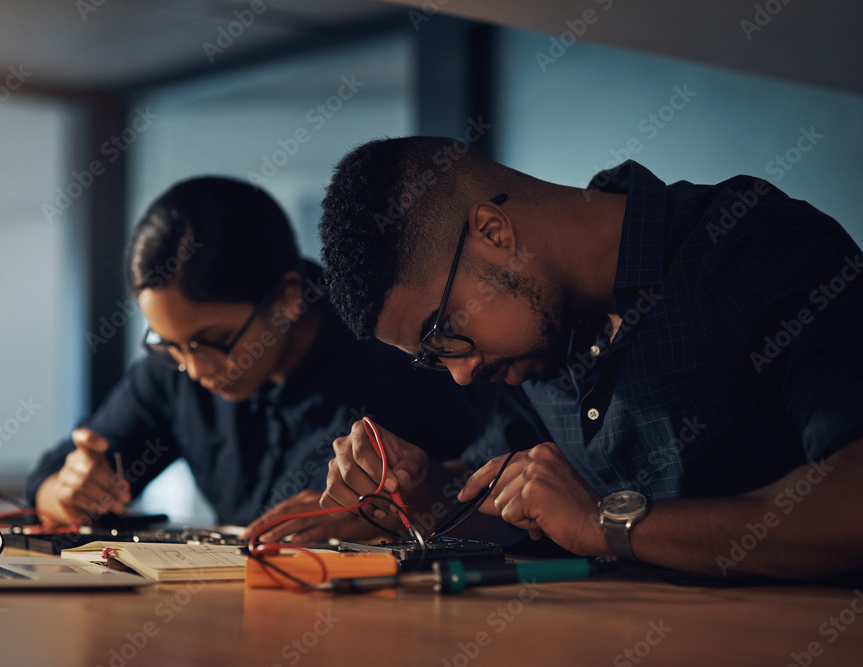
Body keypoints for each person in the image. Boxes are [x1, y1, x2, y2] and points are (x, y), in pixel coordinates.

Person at [315, 136, 863, 579]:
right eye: (431, 359)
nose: (460, 374)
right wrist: (413, 490)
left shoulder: (757, 247)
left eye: (443, 333)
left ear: (493, 232)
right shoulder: (538, 338)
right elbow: (508, 500)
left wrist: (611, 525)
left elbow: (850, 509)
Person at [27, 176, 483, 541]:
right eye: (169, 344)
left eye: (215, 341)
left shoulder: (393, 362)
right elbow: (58, 469)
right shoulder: (177, 369)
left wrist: (395, 518)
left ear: (286, 300)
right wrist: (66, 490)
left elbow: (479, 506)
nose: (196, 370)